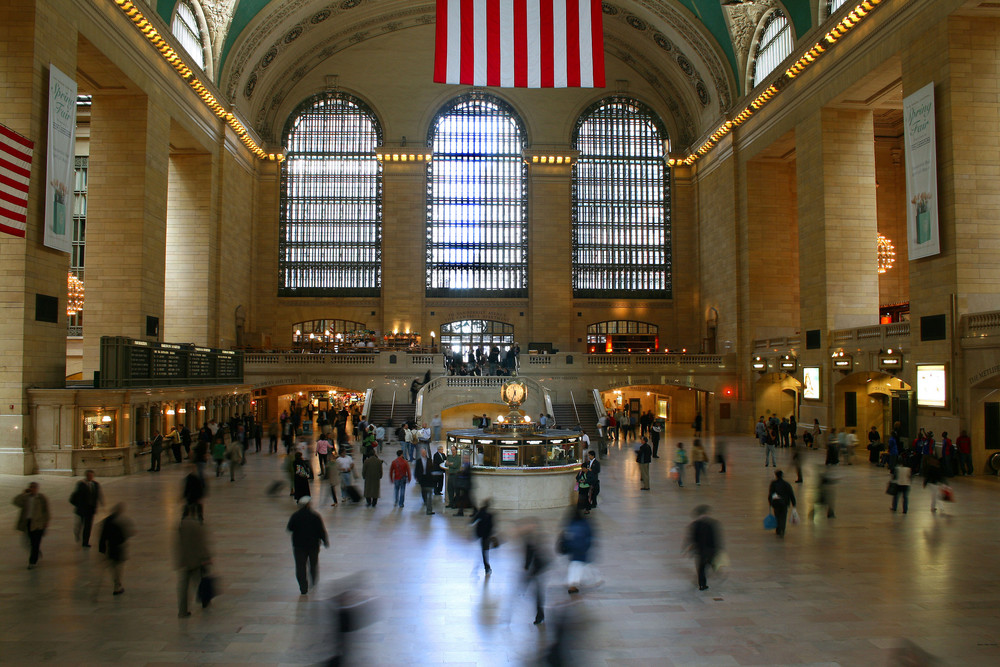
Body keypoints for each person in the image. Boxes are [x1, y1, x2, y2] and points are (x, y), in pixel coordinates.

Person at [287, 496, 329, 595]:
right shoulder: (315, 516)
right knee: (313, 564)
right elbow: (321, 530)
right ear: (309, 504)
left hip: (299, 546)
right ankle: (313, 581)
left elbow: (290, 528)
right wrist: (325, 541)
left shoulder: (295, 516)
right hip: (313, 545)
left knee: (300, 566)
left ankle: (303, 587)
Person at [176, 504, 211, 618]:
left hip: (184, 560)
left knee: (183, 587)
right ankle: (205, 601)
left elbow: (177, 544)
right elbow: (202, 543)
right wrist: (206, 557)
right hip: (196, 560)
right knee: (200, 582)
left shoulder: (180, 526)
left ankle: (182, 610)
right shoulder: (196, 525)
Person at [98, 502, 133, 596]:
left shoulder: (107, 521)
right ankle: (117, 586)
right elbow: (123, 536)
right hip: (118, 548)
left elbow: (102, 537)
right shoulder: (119, 521)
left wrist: (102, 550)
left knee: (114, 568)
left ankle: (117, 583)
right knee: (118, 568)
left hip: (110, 548)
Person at [13, 482, 50, 569]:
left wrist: (46, 521)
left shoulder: (41, 498)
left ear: (37, 488)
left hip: (38, 524)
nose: (32, 489)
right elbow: (15, 502)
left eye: (34, 487)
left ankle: (32, 562)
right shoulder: (25, 498)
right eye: (31, 487)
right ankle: (36, 552)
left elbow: (46, 511)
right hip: (28, 523)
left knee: (35, 542)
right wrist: (23, 494)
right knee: (28, 542)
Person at [685, 505, 721, 591]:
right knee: (707, 564)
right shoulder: (712, 523)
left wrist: (691, 548)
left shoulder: (695, 524)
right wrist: (718, 549)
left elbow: (692, 538)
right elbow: (715, 538)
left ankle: (702, 584)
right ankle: (714, 570)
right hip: (709, 550)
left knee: (701, 568)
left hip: (700, 550)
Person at [560, 508, 596, 594]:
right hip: (582, 549)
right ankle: (574, 584)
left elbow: (566, 536)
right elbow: (589, 536)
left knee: (574, 565)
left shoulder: (571, 524)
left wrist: (567, 546)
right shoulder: (585, 524)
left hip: (573, 549)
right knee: (579, 566)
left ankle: (572, 583)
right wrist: (587, 546)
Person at [520, 518, 549, 625]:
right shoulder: (537, 538)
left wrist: (526, 567)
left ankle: (540, 615)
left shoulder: (531, 540)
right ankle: (540, 615)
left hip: (537, 570)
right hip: (539, 570)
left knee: (538, 594)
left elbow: (529, 558)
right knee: (538, 594)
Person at [70, 469, 103, 548]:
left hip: (90, 510)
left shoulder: (96, 484)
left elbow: (98, 495)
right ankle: (77, 533)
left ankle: (85, 542)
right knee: (80, 524)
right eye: (89, 476)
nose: (90, 477)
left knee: (88, 526)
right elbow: (74, 496)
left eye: (91, 476)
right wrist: (78, 505)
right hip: (82, 509)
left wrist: (101, 502)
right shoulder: (81, 484)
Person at [767, 470, 796, 538]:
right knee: (783, 516)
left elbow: (771, 493)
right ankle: (782, 528)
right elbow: (791, 494)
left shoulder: (773, 484)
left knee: (777, 516)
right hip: (784, 503)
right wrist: (794, 503)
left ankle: (778, 528)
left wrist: (770, 502)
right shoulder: (786, 484)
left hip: (776, 503)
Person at [471, 500, 495, 575]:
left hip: (481, 535)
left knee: (484, 552)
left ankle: (487, 567)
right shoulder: (490, 515)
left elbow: (473, 521)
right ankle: (487, 567)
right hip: (486, 536)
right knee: (485, 552)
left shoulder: (481, 513)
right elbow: (492, 526)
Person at [415, 448, 436, 515]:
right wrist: (417, 477)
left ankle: (429, 509)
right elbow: (416, 470)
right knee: (423, 492)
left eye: (425, 453)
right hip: (422, 479)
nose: (424, 454)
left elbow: (432, 469)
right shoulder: (418, 461)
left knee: (429, 494)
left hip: (429, 479)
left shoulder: (430, 460)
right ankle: (425, 501)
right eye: (423, 453)